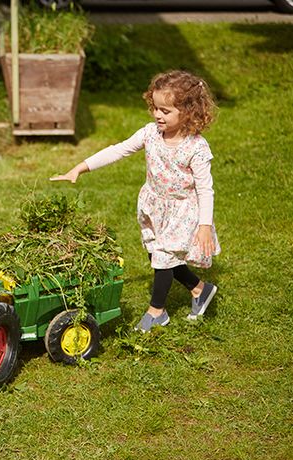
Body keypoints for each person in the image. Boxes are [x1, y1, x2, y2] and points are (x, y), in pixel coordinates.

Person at [50, 70, 220, 333]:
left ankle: (157, 312)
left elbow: (205, 189)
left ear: (187, 111)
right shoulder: (150, 134)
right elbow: (119, 149)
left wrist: (205, 225)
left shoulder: (196, 148)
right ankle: (200, 289)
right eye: (155, 108)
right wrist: (80, 168)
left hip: (181, 210)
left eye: (165, 110)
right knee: (159, 256)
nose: (157, 115)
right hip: (153, 206)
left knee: (163, 258)